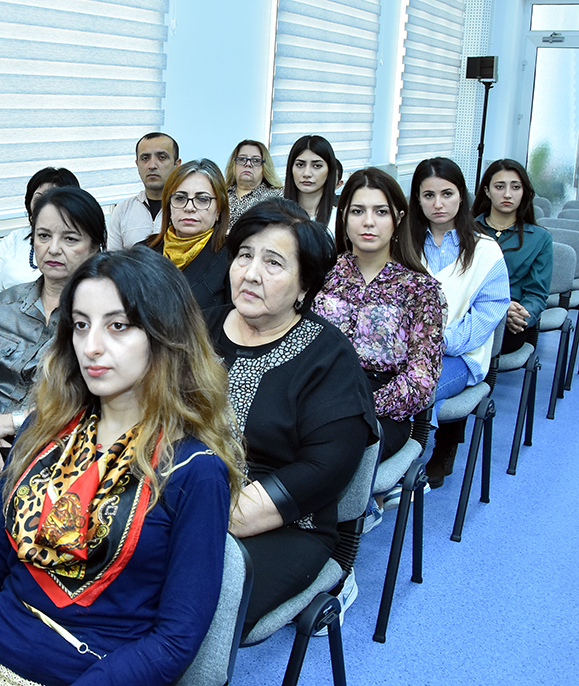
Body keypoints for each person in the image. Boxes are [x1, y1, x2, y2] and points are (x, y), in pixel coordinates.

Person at [0, 247, 244, 686]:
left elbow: (176, 639)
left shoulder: (195, 470)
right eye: (81, 325)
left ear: (165, 335)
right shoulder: (42, 429)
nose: (92, 346)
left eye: (118, 326)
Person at [206, 198, 376, 635]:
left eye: (274, 263)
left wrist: (202, 518)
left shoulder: (329, 357)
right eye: (244, 255)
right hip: (175, 492)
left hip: (282, 524)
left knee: (189, 596)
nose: (251, 273)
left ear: (305, 285)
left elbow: (323, 469)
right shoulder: (196, 330)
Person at [0, 187, 106, 479]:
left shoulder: (102, 320)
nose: (53, 248)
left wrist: (11, 423)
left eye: (70, 238)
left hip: (55, 450)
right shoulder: (6, 304)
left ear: (94, 247)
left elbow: (96, 403)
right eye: (43, 236)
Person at [315, 167, 446, 461]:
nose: (369, 222)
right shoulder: (321, 275)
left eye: (381, 212)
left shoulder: (420, 289)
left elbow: (421, 381)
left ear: (398, 219)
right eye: (358, 211)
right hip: (317, 391)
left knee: (328, 449)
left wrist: (360, 406)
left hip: (381, 406)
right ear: (344, 216)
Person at [410, 157, 510, 488]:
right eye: (428, 195)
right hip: (403, 353)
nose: (438, 204)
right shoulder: (403, 245)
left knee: (415, 391)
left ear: (461, 196)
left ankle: (409, 469)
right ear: (417, 198)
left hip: (458, 356)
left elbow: (486, 315)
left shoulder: (486, 251)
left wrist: (438, 342)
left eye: (447, 194)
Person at [472, 158, 553, 355]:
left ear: (523, 191)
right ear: (487, 191)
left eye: (515, 187)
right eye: (499, 186)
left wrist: (523, 316)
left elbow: (536, 294)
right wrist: (497, 309)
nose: (507, 194)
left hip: (509, 323)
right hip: (469, 312)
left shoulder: (541, 238)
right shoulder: (466, 231)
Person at [0, 167, 80, 310]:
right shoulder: (13, 239)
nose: (46, 204)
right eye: (40, 198)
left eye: (55, 198)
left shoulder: (80, 246)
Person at [145, 159, 232, 311]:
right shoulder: (142, 252)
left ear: (218, 210)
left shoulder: (232, 258)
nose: (189, 207)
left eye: (202, 199)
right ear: (168, 206)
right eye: (180, 198)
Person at [106, 132, 182, 250]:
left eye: (162, 157)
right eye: (145, 158)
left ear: (177, 165)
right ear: (137, 164)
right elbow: (112, 262)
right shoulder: (122, 211)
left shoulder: (187, 208)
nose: (152, 165)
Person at [284, 135, 343, 234]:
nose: (307, 173)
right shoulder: (274, 214)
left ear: (329, 171)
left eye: (317, 166)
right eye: (300, 165)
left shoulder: (340, 218)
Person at [224, 139, 283, 227]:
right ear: (234, 164)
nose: (248, 164)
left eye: (256, 160)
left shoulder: (277, 197)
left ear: (265, 167)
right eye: (242, 159)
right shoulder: (220, 195)